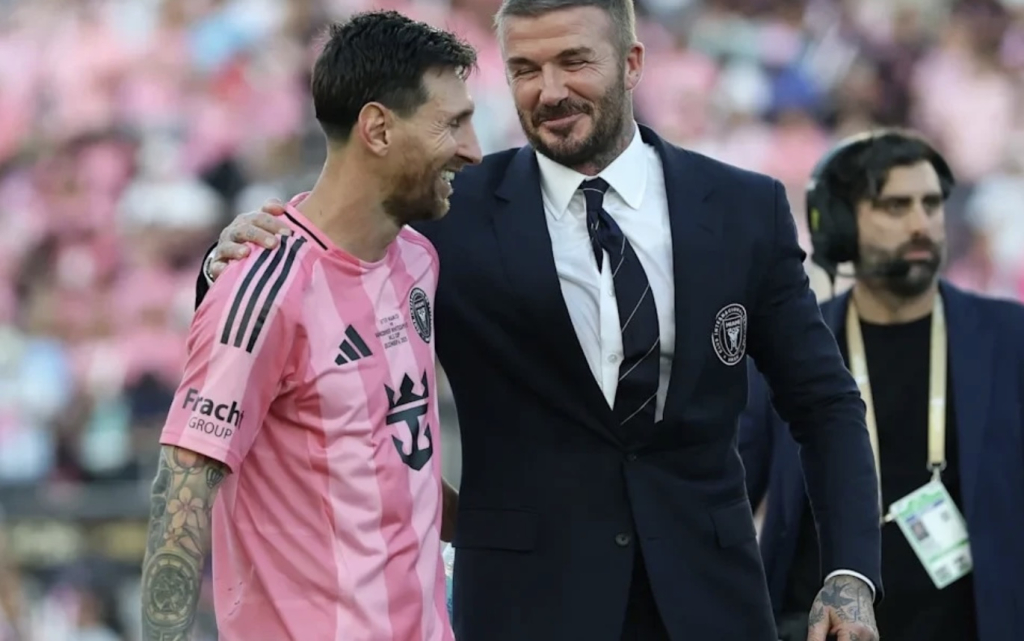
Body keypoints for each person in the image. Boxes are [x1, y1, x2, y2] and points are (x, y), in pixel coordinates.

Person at [196, 0, 884, 639]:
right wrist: (227, 260)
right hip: (522, 608)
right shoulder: (445, 215)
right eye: (525, 69)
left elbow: (823, 402)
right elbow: (317, 265)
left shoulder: (744, 209)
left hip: (711, 603)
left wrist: (850, 574)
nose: (549, 90)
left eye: (573, 62)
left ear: (633, 63)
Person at [140, 11, 480, 641]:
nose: (472, 148)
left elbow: (396, 468)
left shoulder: (418, 261)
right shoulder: (263, 286)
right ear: (378, 128)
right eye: (451, 124)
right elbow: (181, 495)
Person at [740, 129, 1024, 641]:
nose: (921, 224)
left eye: (931, 204)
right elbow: (731, 492)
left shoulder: (1010, 336)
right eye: (894, 206)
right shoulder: (788, 343)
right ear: (840, 225)